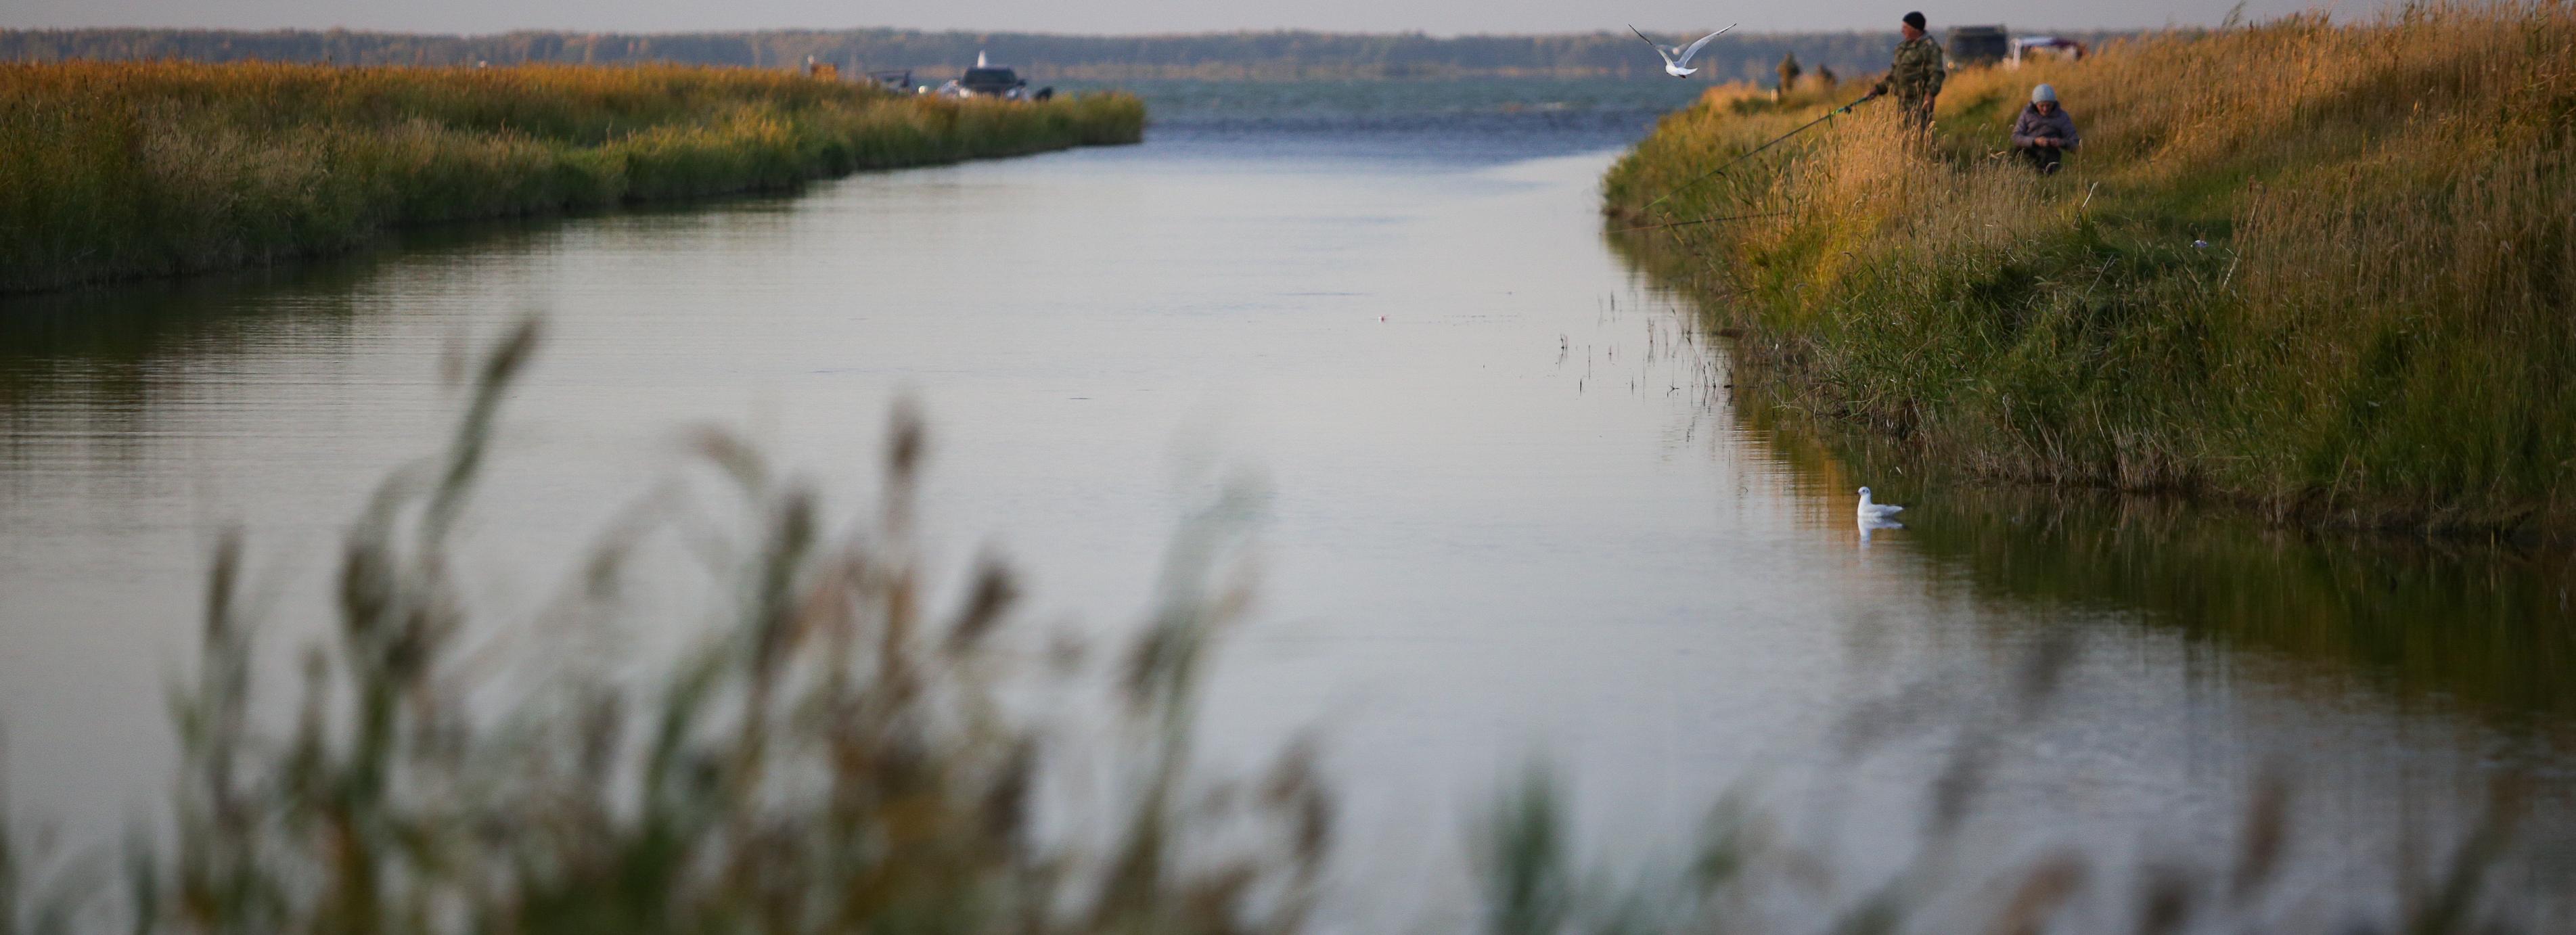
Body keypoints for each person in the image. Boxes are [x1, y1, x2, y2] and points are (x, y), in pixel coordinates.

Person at [1868, 12, 1946, 131]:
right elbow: (1894, 76)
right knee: (1903, 137)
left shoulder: (1930, 48)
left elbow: (1936, 73)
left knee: (1920, 135)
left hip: (1919, 102)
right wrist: (1877, 89)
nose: (1902, 31)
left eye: (1905, 27)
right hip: (1902, 103)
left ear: (1916, 29)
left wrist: (1930, 94)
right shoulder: (1902, 48)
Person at [2010, 83, 2080, 173]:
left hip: (2050, 152)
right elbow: (2016, 137)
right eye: (2041, 106)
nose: (2045, 109)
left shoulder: (2062, 116)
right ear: (2036, 104)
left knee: (2047, 167)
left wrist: (2061, 142)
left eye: (2048, 105)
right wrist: (2035, 141)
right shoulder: (2027, 113)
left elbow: (2075, 143)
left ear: (2053, 104)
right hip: (2028, 150)